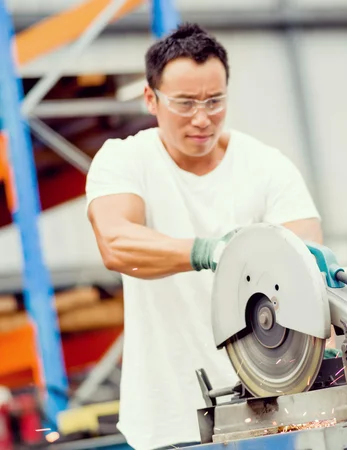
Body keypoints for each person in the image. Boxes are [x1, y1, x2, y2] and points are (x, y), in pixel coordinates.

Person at [85, 23, 322, 450]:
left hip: (274, 410)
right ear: (150, 99)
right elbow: (117, 243)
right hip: (170, 419)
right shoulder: (124, 160)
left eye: (214, 101)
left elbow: (312, 264)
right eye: (185, 103)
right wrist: (208, 252)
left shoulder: (266, 166)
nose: (201, 118)